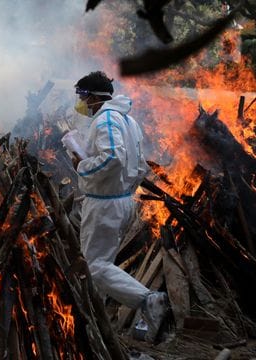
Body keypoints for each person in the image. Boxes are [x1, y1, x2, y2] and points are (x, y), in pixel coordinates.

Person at [69, 71, 168, 342]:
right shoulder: (127, 119)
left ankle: (148, 300)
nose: (80, 102)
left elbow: (112, 158)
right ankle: (95, 324)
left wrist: (82, 165)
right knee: (103, 264)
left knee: (95, 266)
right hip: (121, 200)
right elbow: (138, 165)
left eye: (82, 96)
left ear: (92, 97)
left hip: (104, 205)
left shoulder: (106, 119)